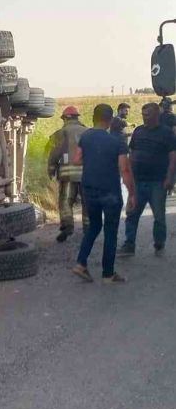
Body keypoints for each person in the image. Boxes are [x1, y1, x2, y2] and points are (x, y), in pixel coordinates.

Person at [72, 104, 135, 283]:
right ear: (110, 120)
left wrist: (93, 160)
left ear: (94, 117)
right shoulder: (117, 142)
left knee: (93, 226)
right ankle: (108, 274)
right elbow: (124, 169)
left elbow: (76, 160)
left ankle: (80, 263)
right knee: (110, 230)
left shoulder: (86, 137)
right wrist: (131, 193)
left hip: (89, 189)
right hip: (110, 192)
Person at [118, 102, 176, 257]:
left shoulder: (167, 133)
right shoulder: (138, 131)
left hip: (158, 181)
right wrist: (129, 176)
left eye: (148, 115)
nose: (145, 118)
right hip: (138, 181)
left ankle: (159, 243)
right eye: (143, 115)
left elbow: (173, 157)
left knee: (159, 216)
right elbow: (131, 153)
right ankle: (129, 244)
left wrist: (170, 178)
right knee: (132, 214)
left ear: (156, 114)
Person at [47, 106, 88, 242]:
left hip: (68, 174)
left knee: (66, 200)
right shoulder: (88, 132)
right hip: (87, 174)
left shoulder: (61, 133)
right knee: (87, 201)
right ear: (77, 117)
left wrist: (51, 168)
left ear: (65, 118)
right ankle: (88, 228)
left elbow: (54, 153)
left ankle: (68, 225)